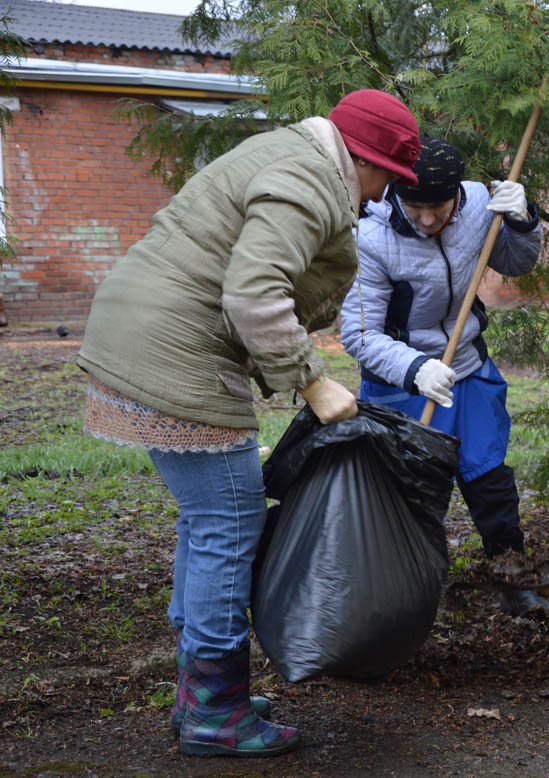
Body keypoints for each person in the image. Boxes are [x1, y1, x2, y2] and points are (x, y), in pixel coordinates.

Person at [77, 89, 422, 756]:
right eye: (388, 178)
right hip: (173, 353)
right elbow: (254, 293)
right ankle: (216, 710)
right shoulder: (309, 180)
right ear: (365, 159)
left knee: (208, 521)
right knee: (231, 521)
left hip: (146, 336)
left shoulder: (286, 155)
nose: (382, 197)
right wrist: (313, 381)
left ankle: (198, 693)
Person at [340, 136, 549, 621]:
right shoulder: (371, 237)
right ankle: (402, 603)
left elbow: (516, 262)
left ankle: (515, 588)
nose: (428, 219)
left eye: (438, 206)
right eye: (415, 206)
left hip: (467, 369)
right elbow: (358, 334)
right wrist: (416, 369)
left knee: (490, 481)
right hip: (401, 383)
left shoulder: (479, 205)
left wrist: (523, 220)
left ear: (458, 198)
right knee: (412, 497)